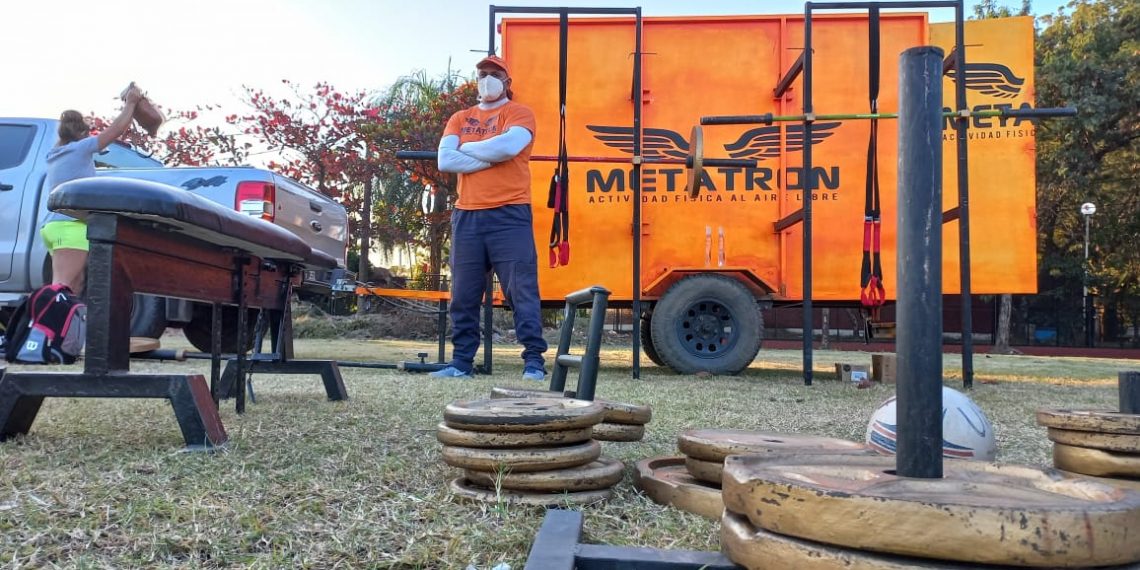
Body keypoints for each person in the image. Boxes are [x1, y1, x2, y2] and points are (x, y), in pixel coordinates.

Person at [432, 55, 548, 381]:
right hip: (467, 215)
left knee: (521, 290)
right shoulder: (460, 117)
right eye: (482, 74)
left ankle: (534, 363)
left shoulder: (520, 113)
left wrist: (467, 149)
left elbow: (509, 147)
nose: (487, 79)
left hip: (510, 214)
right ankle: (460, 363)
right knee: (464, 293)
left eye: (494, 74)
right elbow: (445, 159)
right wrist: (491, 154)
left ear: (507, 82)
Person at [40, 85, 143, 296]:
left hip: (54, 227)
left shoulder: (55, 153)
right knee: (62, 289)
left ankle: (65, 328)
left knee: (75, 286)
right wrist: (131, 103)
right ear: (83, 134)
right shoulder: (81, 148)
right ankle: (45, 327)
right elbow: (115, 131)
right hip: (71, 227)